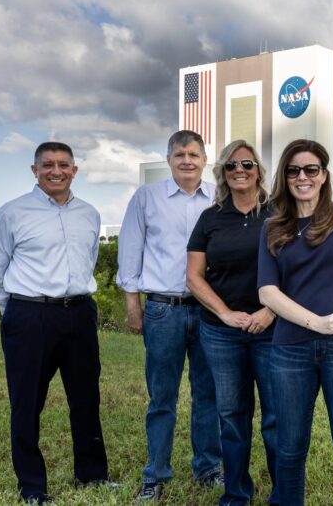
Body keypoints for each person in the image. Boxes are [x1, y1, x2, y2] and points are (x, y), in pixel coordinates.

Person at [0, 142, 113, 503]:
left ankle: (92, 476)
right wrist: (20, 311)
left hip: (80, 313)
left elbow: (89, 260)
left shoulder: (89, 213)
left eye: (64, 165)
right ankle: (33, 487)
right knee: (27, 403)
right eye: (48, 165)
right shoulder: (11, 214)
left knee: (86, 399)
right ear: (34, 170)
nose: (56, 171)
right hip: (29, 316)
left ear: (75, 169)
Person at [117, 130, 222, 501]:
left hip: (210, 312)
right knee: (162, 396)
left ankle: (208, 468)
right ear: (169, 159)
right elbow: (130, 252)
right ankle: (155, 474)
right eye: (180, 154)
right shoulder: (147, 198)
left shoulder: (220, 198)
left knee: (208, 394)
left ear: (205, 160)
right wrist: (134, 305)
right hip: (164, 310)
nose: (188, 161)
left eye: (194, 154)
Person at [257, 138, 333, 505]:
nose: (302, 176)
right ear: (285, 177)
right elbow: (267, 293)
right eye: (293, 170)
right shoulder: (273, 226)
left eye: (311, 169)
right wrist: (315, 322)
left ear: (324, 175)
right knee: (289, 450)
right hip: (289, 349)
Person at [186, 140, 278, 505]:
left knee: (275, 416)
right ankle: (237, 494)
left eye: (247, 164)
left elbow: (295, 269)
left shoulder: (278, 212)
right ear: (222, 173)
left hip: (271, 330)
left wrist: (270, 311)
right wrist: (224, 313)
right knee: (232, 415)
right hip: (221, 332)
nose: (240, 170)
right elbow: (194, 276)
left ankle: (283, 494)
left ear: (258, 170)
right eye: (231, 166)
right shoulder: (210, 218)